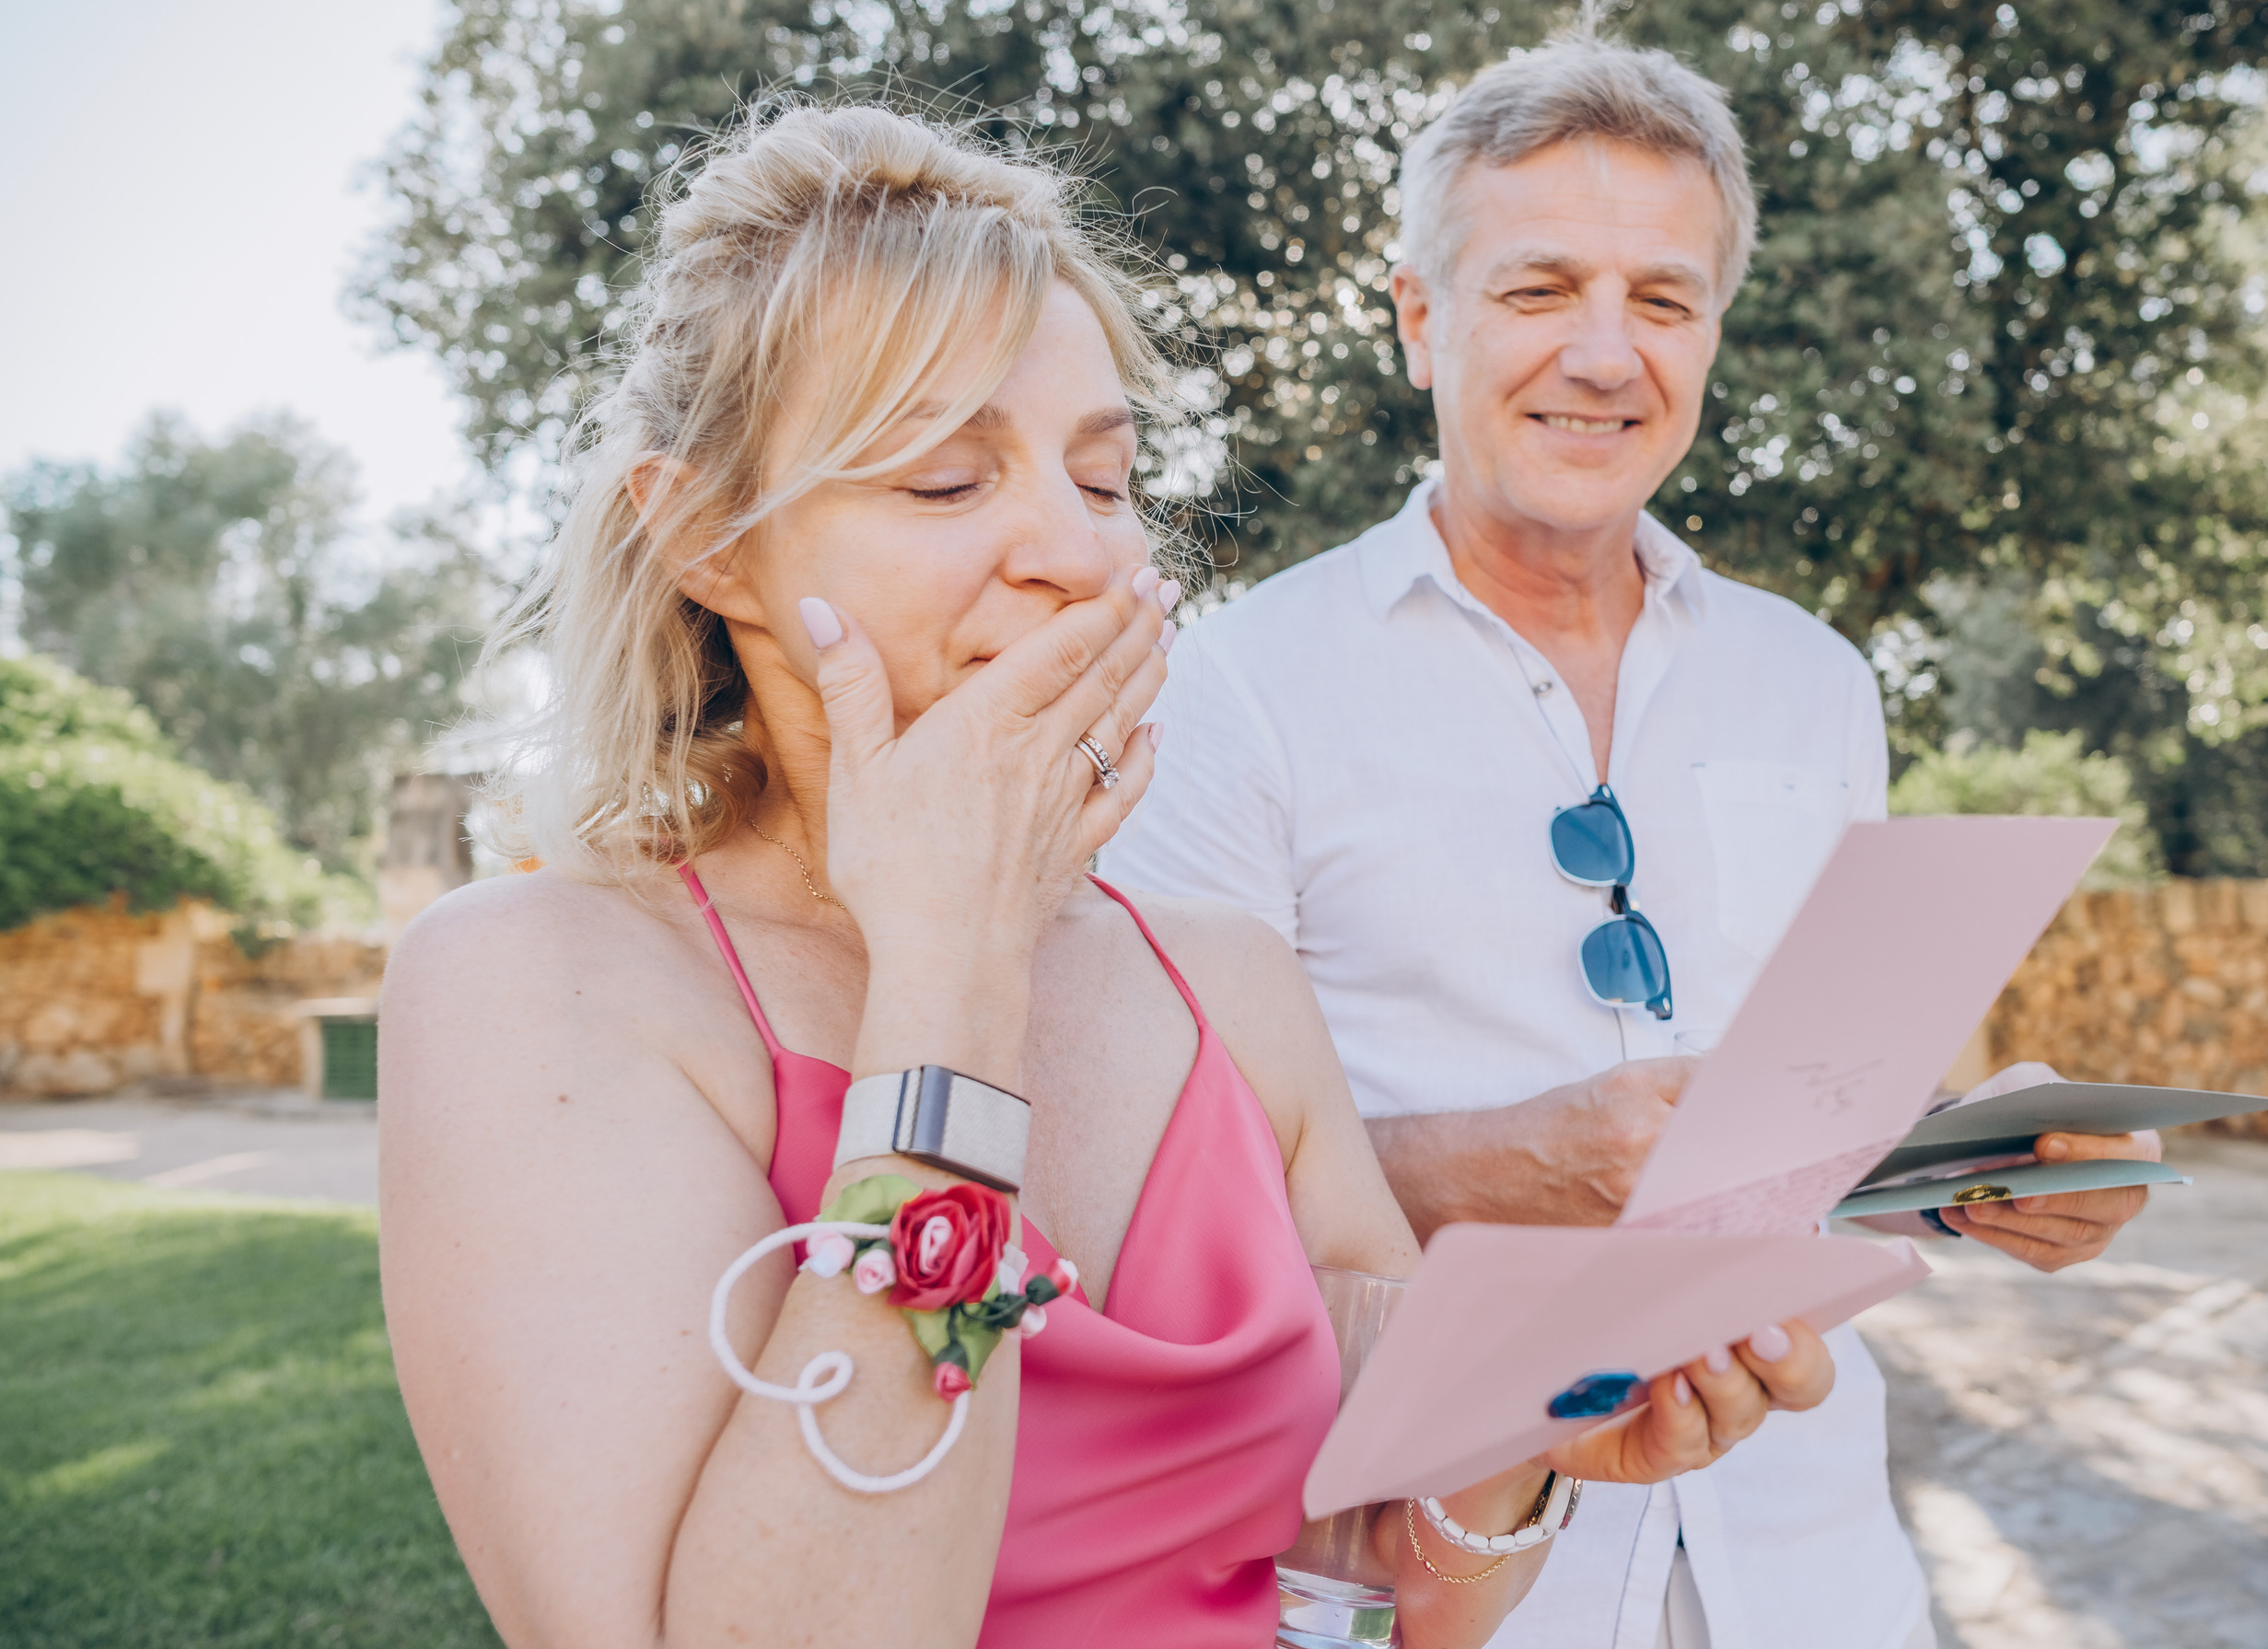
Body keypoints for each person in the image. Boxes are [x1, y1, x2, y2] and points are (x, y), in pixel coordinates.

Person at [375, 103, 1837, 1649]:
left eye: (1104, 478)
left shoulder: (1223, 980)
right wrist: (950, 978)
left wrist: (1524, 1444)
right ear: (705, 544)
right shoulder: (540, 985)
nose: (1075, 557)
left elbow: (1405, 1597)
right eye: (946, 483)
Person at [1100, 32, 2165, 1649]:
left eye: (1662, 302)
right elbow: (1156, 1209)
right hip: (1450, 1575)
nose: (1606, 355)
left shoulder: (1817, 680)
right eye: (1539, 291)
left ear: (1713, 335)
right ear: (1417, 320)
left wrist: (1972, 1172)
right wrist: (1502, 1166)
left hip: (1820, 1571)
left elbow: (1806, 1130)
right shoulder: (1236, 686)